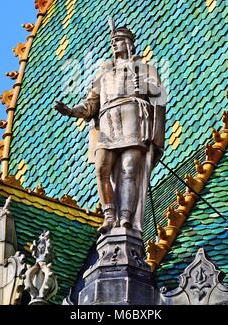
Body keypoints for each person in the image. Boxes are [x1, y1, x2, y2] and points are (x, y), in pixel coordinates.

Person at [55, 19, 166, 234]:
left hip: (133, 116)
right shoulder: (103, 74)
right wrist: (70, 111)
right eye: (113, 41)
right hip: (108, 121)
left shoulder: (143, 68)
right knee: (101, 169)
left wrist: (141, 83)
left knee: (129, 169)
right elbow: (90, 106)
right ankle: (109, 214)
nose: (114, 44)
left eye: (118, 40)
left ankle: (125, 217)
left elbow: (159, 93)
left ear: (128, 43)